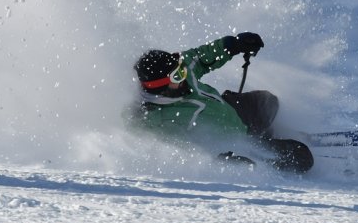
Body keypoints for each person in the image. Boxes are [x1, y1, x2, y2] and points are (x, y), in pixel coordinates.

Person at [131, 32, 313, 172]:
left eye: (182, 70)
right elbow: (179, 152)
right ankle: (266, 144)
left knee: (268, 101)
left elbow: (199, 57)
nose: (184, 75)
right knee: (303, 158)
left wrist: (233, 44)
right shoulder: (160, 119)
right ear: (161, 85)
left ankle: (271, 133)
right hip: (236, 141)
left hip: (227, 108)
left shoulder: (181, 73)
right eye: (178, 75)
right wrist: (218, 159)